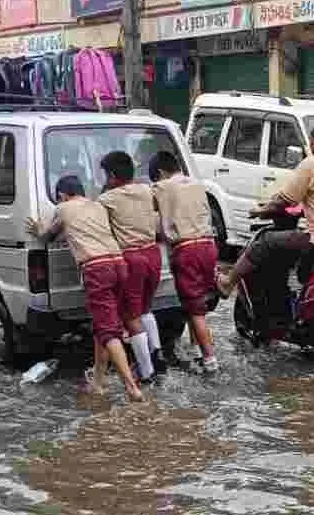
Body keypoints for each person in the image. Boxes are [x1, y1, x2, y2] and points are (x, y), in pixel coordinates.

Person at [27, 175, 144, 401]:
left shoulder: (63, 208)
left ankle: (131, 388)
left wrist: (39, 228)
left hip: (97, 269)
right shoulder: (98, 205)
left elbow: (47, 237)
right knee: (104, 326)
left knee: (109, 331)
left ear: (61, 195)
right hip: (120, 265)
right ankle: (98, 383)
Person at [216, 119, 314, 295]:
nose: (310, 145)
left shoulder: (312, 164)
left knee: (265, 241)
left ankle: (228, 282)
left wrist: (263, 210)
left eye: (311, 141)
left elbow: (285, 200)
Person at [151, 150, 218, 374]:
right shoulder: (199, 184)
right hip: (209, 246)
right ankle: (197, 350)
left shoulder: (162, 187)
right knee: (199, 303)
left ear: (160, 173)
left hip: (186, 250)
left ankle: (210, 360)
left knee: (194, 308)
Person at [99, 151, 163, 383]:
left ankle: (146, 373)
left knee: (130, 316)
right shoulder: (147, 190)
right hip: (153, 254)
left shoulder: (108, 199)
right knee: (146, 309)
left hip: (131, 258)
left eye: (106, 175)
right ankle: (158, 357)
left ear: (113, 176)